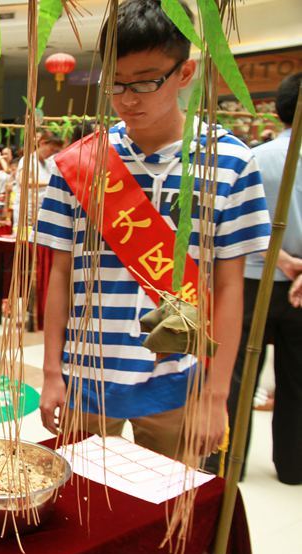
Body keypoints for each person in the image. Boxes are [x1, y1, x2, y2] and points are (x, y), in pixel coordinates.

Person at [35, 0, 272, 460]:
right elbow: (59, 274)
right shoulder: (77, 165)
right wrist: (50, 373)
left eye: (144, 81)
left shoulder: (231, 163)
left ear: (185, 74)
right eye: (116, 83)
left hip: (178, 381)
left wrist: (216, 395)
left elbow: (228, 287)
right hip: (85, 376)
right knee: (82, 510)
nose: (126, 99)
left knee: (169, 516)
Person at [214, 72, 301, 484]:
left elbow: (240, 226)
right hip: (298, 290)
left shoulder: (254, 158)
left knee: (238, 376)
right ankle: (294, 465)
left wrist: (279, 258)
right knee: (298, 380)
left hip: (251, 281)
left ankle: (228, 465)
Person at [12, 130, 62, 230]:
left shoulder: (49, 163)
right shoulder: (27, 159)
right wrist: (49, 183)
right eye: (51, 149)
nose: (52, 153)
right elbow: (23, 182)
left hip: (42, 210)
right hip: (27, 210)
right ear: (42, 143)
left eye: (55, 151)